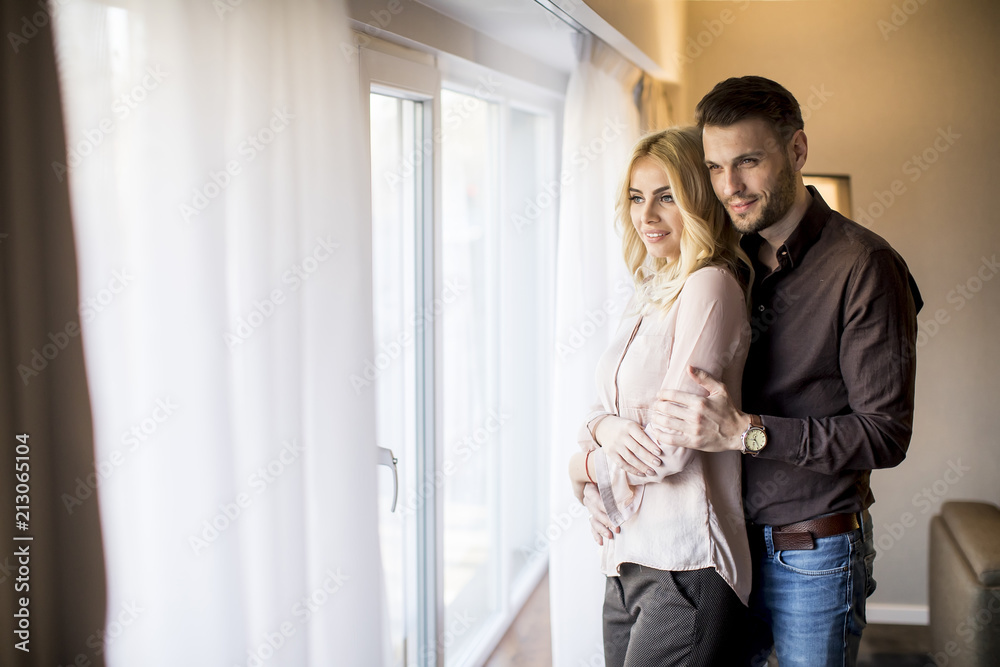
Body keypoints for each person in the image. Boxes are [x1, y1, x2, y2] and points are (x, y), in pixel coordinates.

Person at [584, 76, 922, 667]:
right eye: (715, 168)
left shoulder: (864, 266)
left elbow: (885, 434)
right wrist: (596, 452)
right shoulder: (725, 262)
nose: (730, 186)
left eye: (748, 162)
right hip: (720, 550)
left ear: (796, 151)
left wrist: (746, 432)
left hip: (808, 550)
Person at [568, 126, 755, 666]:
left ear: (697, 201)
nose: (646, 215)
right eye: (635, 197)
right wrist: (605, 431)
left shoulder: (710, 285)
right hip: (625, 559)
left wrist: (581, 465)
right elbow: (598, 409)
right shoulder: (652, 288)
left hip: (685, 565)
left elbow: (670, 447)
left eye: (665, 196)